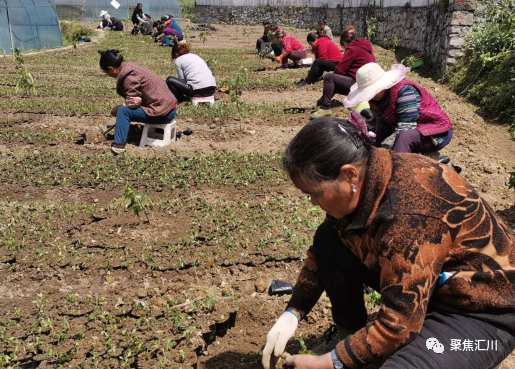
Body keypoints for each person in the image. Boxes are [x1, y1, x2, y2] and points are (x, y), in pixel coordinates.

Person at [262, 113, 515, 369]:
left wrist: (329, 363)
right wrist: (293, 311)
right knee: (329, 238)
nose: (314, 203)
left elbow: (399, 324)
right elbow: (326, 249)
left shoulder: (409, 212)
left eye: (315, 194)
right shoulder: (371, 175)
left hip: (482, 308)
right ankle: (349, 334)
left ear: (349, 175)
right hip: (429, 288)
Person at [344, 63, 453, 153]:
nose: (370, 95)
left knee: (404, 137)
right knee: (373, 134)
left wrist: (386, 147)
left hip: (433, 131)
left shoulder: (405, 92)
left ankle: (398, 175)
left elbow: (407, 127)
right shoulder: (375, 98)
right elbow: (381, 121)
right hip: (398, 126)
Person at [98, 49, 177, 155]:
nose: (107, 74)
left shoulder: (129, 77)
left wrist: (118, 109)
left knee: (123, 111)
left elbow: (133, 102)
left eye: (106, 72)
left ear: (110, 69)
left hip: (163, 112)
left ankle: (118, 148)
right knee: (123, 110)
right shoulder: (129, 68)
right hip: (168, 107)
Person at [310, 26, 375, 119]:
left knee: (329, 78)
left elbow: (340, 69)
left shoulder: (352, 49)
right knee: (335, 83)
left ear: (344, 43)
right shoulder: (365, 47)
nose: (344, 49)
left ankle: (325, 108)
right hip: (367, 84)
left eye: (343, 46)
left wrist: (336, 75)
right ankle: (321, 103)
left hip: (358, 85)